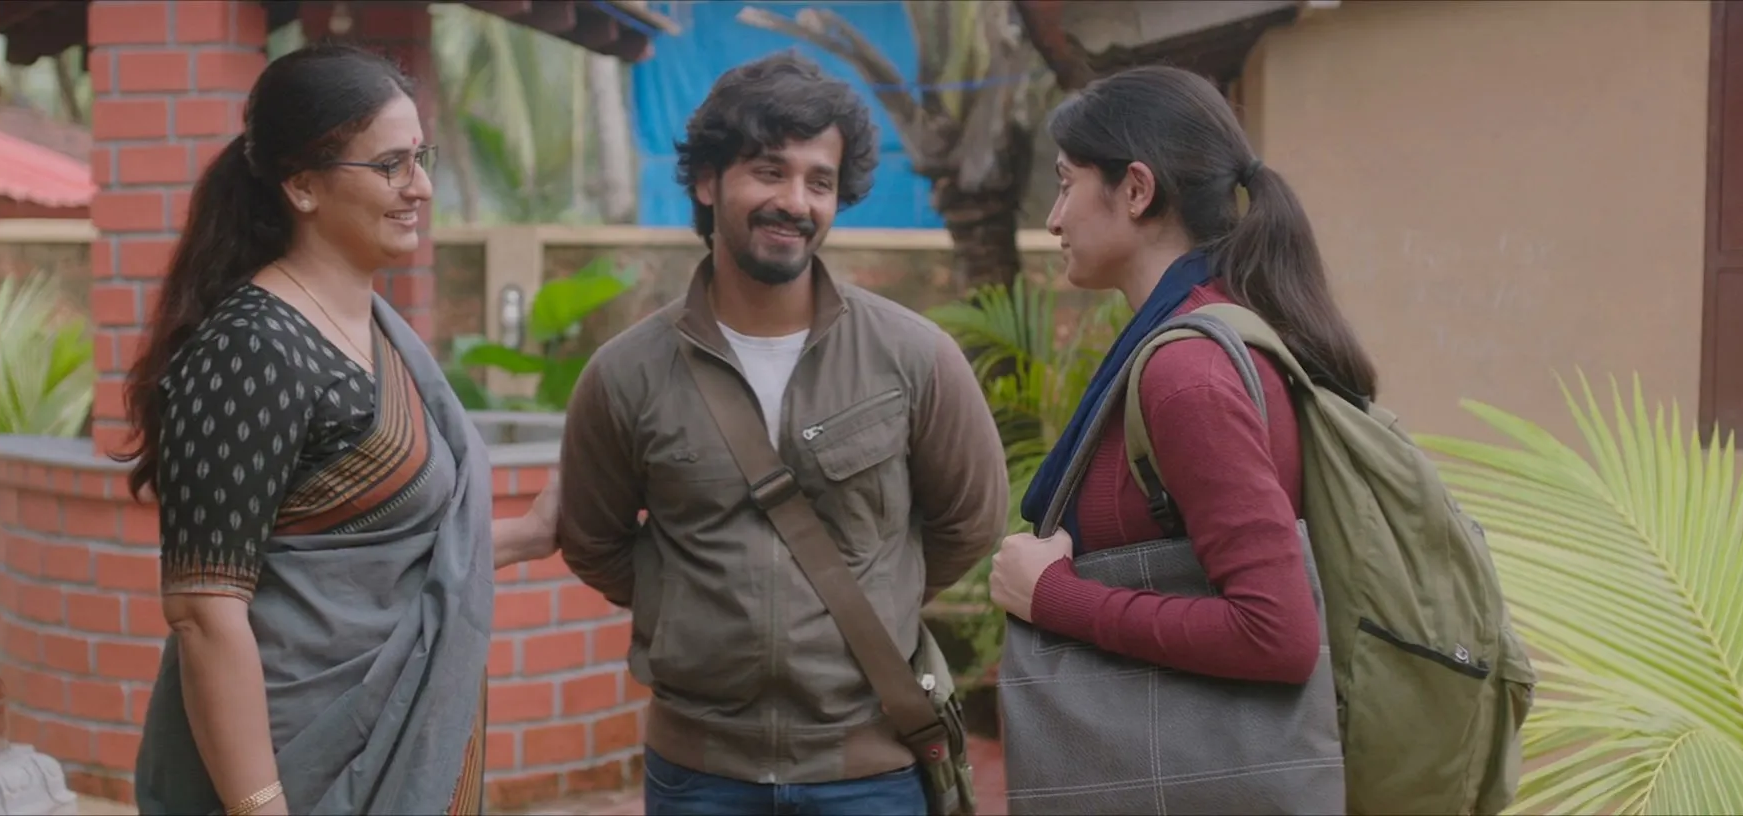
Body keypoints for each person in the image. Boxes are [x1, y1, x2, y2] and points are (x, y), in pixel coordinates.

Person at [556, 52, 1009, 816]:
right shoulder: (624, 373)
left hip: (870, 770)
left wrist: (870, 601)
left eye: (818, 181)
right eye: (769, 172)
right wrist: (688, 609)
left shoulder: (913, 356)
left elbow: (970, 522)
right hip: (698, 773)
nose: (794, 201)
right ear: (708, 181)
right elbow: (592, 539)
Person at [118, 43, 558, 816]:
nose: (419, 186)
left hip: (397, 746)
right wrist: (261, 807)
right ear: (302, 185)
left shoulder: (378, 331)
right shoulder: (250, 348)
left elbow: (385, 553)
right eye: (390, 165)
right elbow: (204, 613)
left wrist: (532, 533)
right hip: (293, 763)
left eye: (419, 159)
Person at [990, 65, 1377, 710]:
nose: (1054, 220)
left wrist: (1054, 595)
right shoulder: (1205, 331)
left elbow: (1274, 634)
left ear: (1136, 189)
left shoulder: (1188, 372)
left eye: (1065, 183)